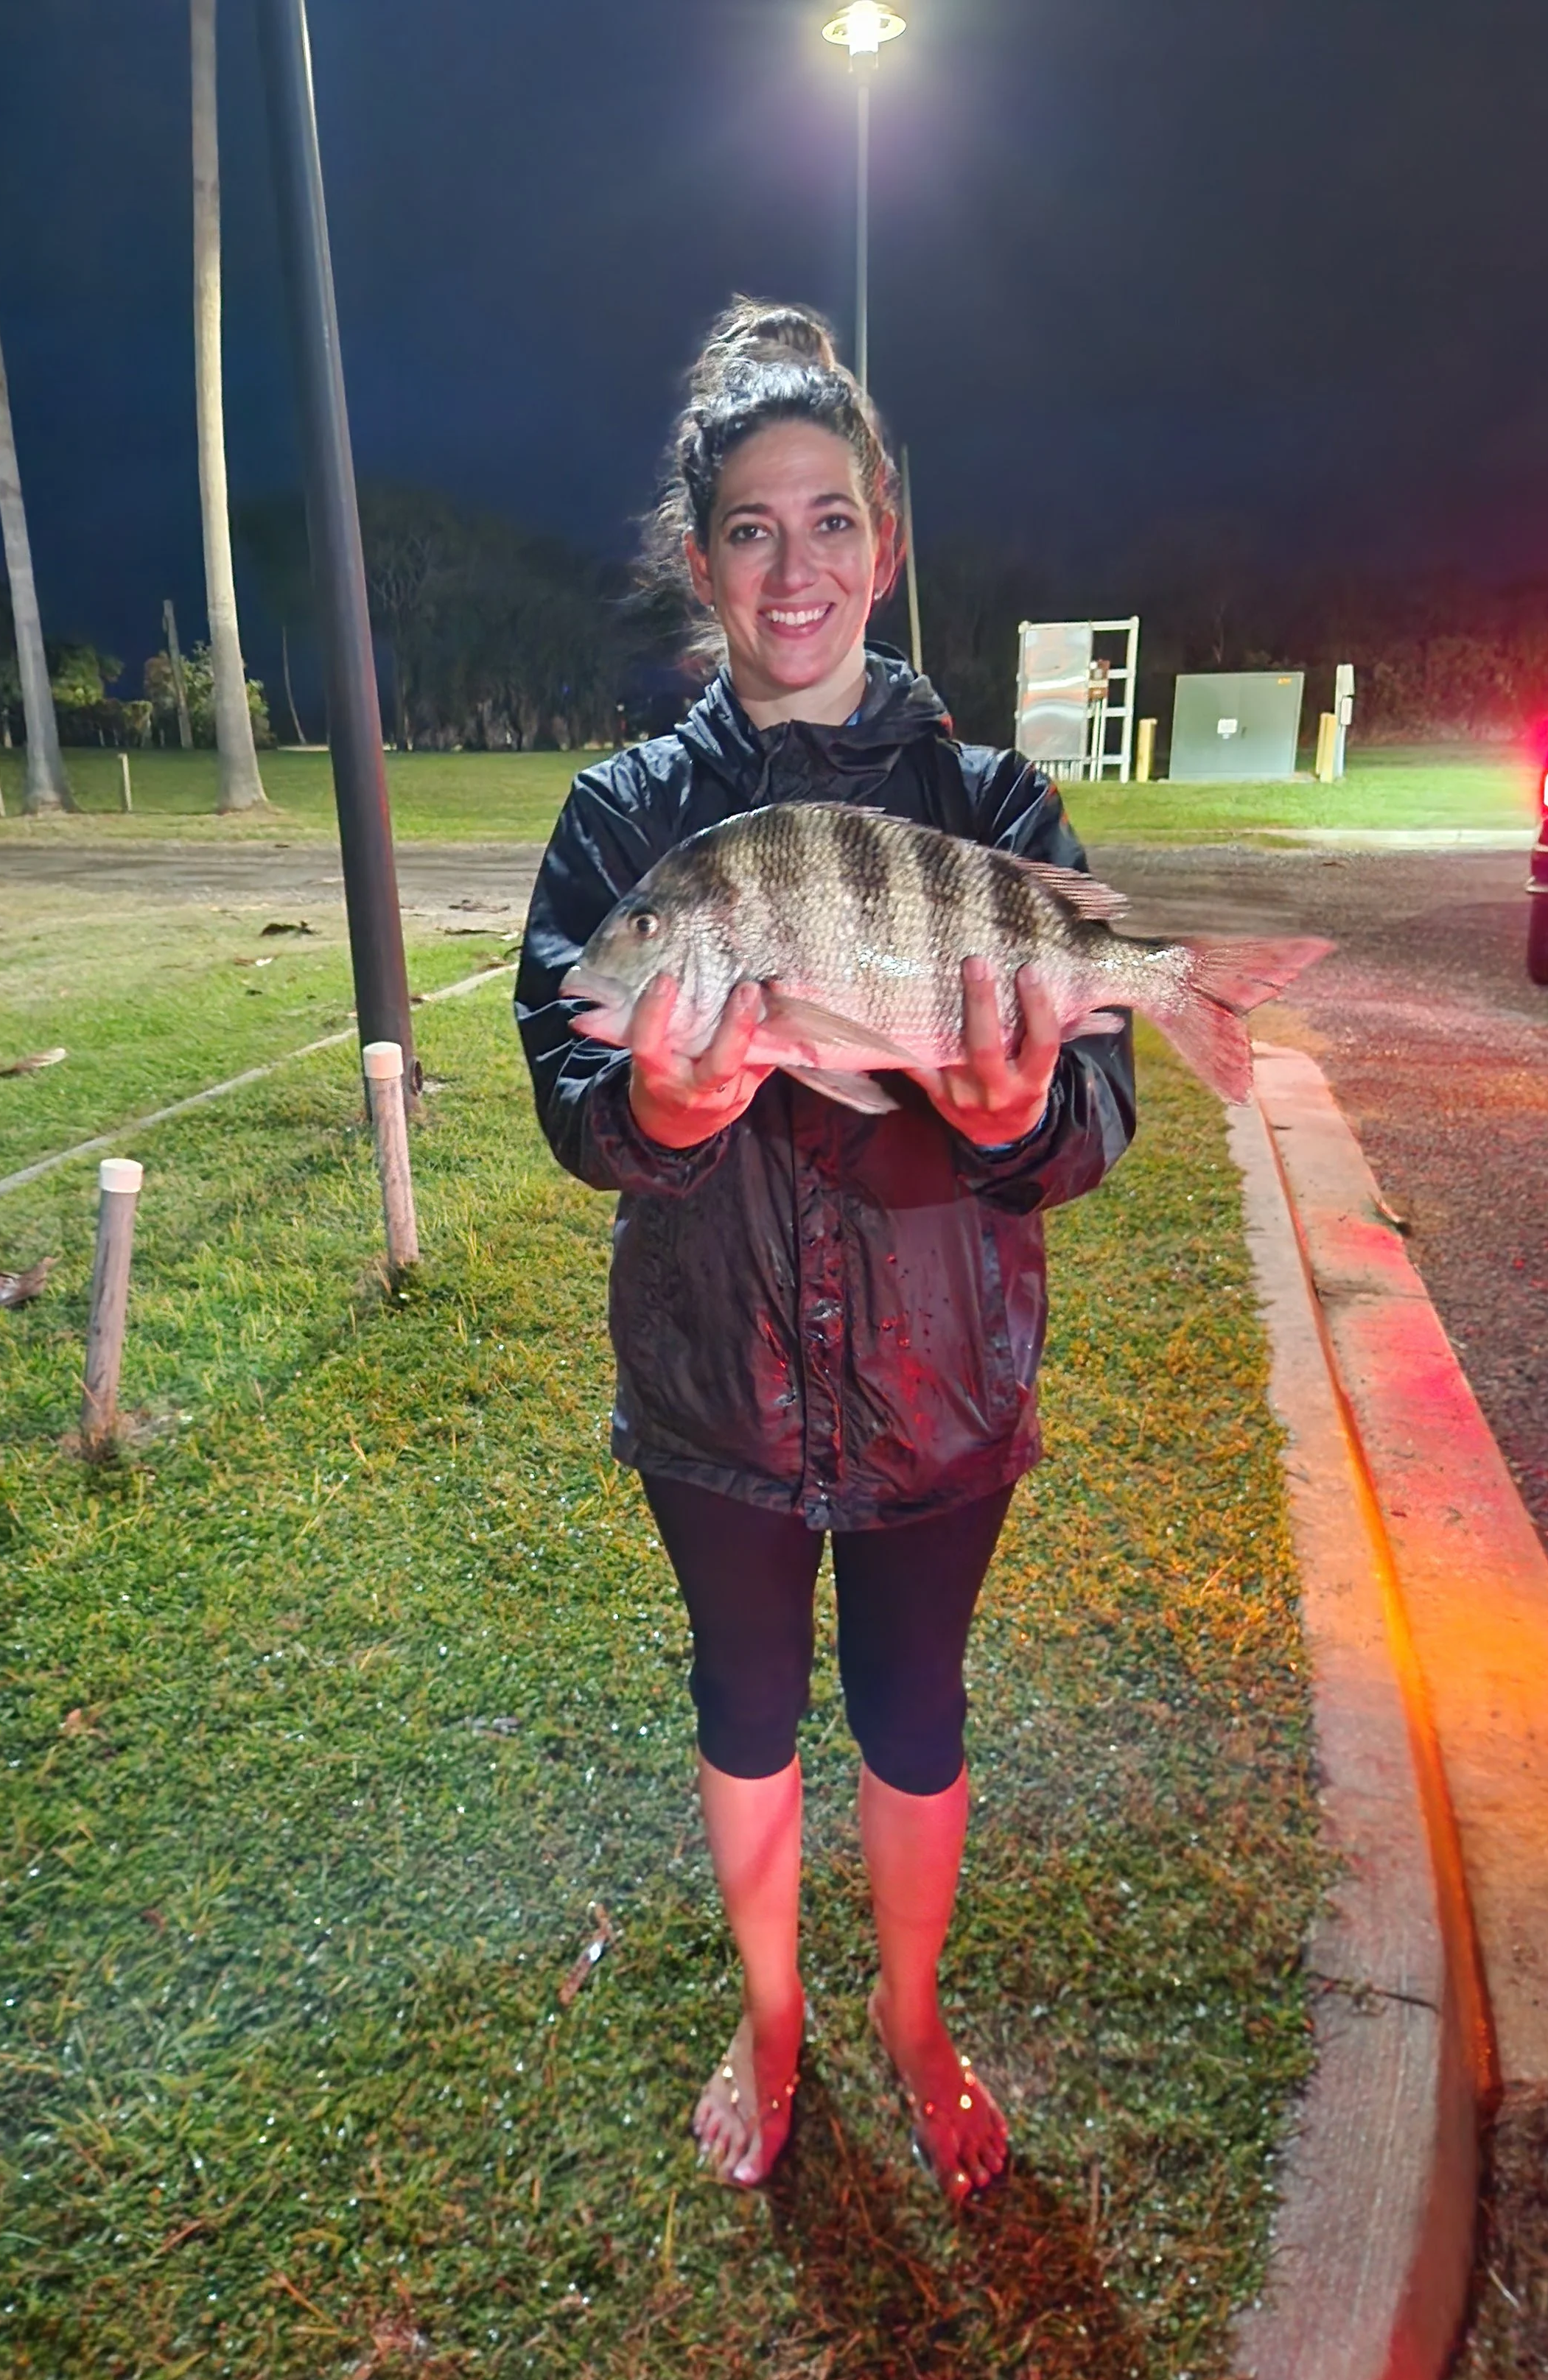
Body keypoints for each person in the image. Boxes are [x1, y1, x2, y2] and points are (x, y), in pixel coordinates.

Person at [514, 299, 1135, 2199]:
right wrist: (657, 1117)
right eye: (755, 531)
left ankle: (912, 2014)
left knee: (916, 1711)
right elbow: (566, 1052)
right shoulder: (631, 819)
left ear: (888, 537)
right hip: (717, 1391)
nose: (798, 568)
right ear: (703, 567)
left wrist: (1018, 1107)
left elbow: (1092, 1115)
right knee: (745, 1705)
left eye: (834, 521)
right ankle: (777, 2014)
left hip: (944, 1387)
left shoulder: (988, 812)